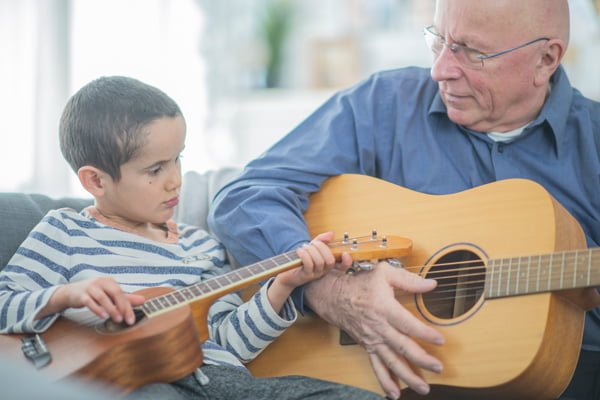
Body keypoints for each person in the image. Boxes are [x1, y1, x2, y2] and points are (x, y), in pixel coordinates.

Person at [208, 0, 600, 399]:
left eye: (473, 52)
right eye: (438, 40)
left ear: (546, 59)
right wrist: (326, 290)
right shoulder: (385, 104)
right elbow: (244, 197)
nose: (441, 69)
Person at [0, 76, 382, 400]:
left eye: (178, 159)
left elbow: (231, 345)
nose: (175, 180)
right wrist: (65, 295)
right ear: (95, 181)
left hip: (219, 380)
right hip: (135, 383)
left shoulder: (199, 246)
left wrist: (281, 286)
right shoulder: (64, 232)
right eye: (155, 169)